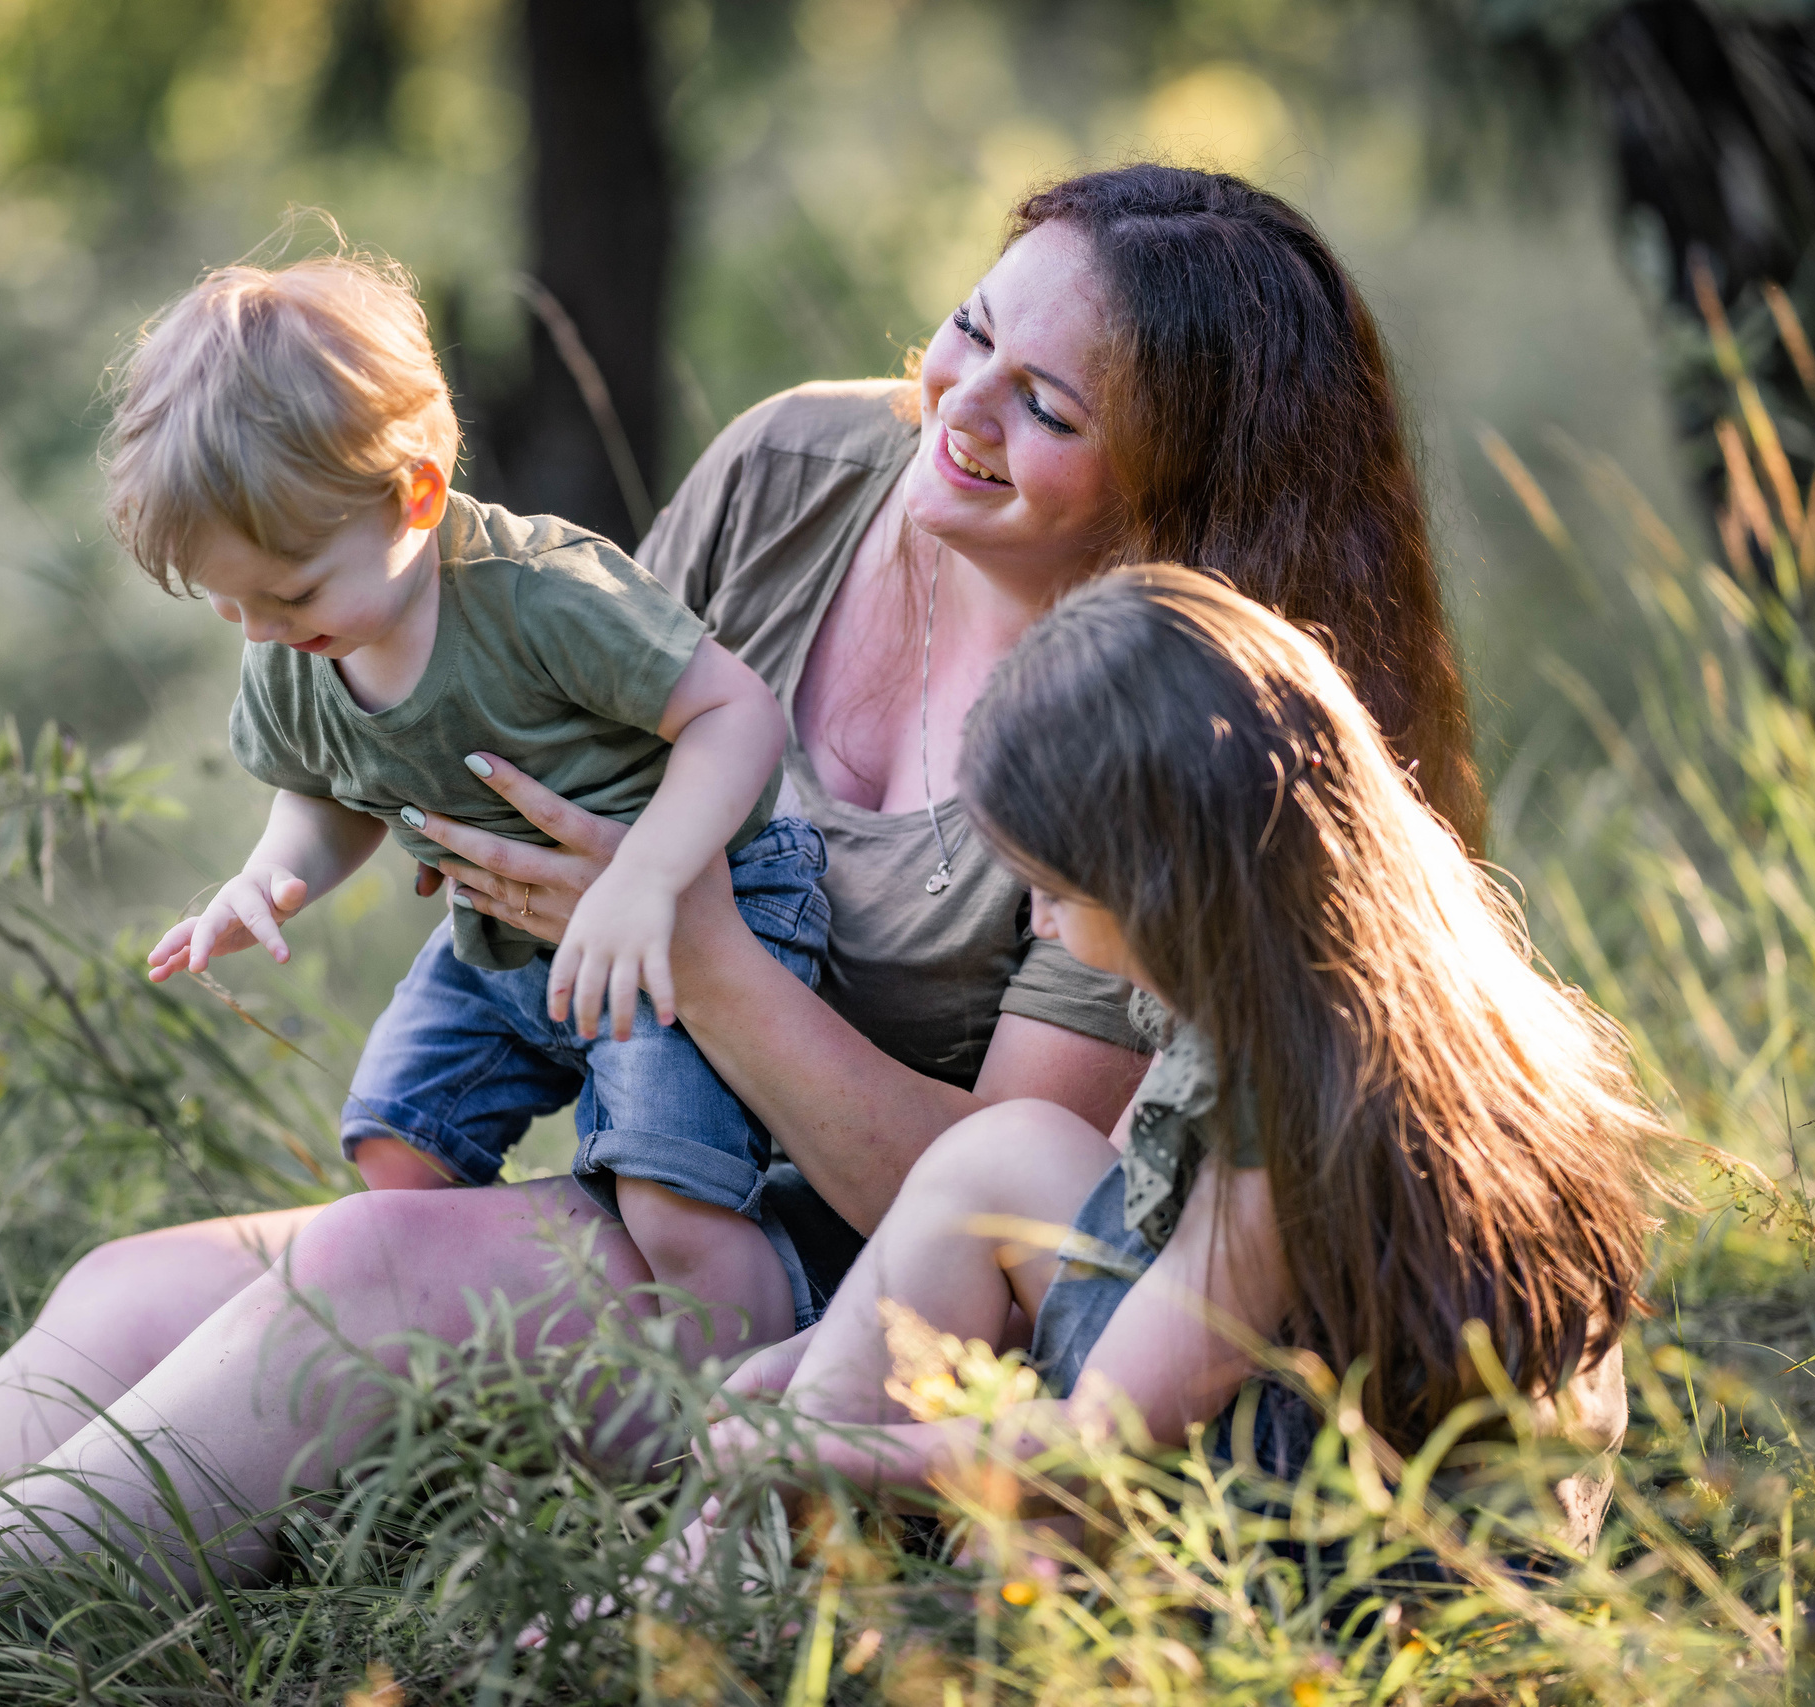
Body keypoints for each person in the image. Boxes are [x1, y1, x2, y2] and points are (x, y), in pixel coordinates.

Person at [0, 164, 1492, 1703]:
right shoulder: (802, 471)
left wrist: (687, 948)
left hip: (870, 1301)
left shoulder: (1159, 724)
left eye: (1047, 408)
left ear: (1177, 477)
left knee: (355, 1292)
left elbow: (1001, 1193)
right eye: (970, 332)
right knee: (131, 1287)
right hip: (660, 1166)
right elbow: (556, 710)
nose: (961, 410)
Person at [693, 568, 1655, 1556]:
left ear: (1168, 881)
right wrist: (824, 1361)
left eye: (1058, 891)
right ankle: (731, 1566)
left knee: (1012, 1541)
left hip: (1372, 1556)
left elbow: (1100, 1443)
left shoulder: (1300, 1082)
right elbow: (1122, 1218)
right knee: (1004, 1158)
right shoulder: (1330, 964)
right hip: (1320, 1426)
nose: (1040, 923)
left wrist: (835, 1446)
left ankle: (724, 1593)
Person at [113, 248, 830, 1359]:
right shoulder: (302, 638)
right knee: (396, 1148)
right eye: (229, 605)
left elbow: (736, 716)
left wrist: (646, 880)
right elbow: (323, 788)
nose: (258, 630)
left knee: (671, 1197)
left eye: (288, 591)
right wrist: (272, 874)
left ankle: (761, 1415)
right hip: (501, 937)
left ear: (417, 493)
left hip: (687, 905)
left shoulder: (543, 596)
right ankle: (481, 1370)